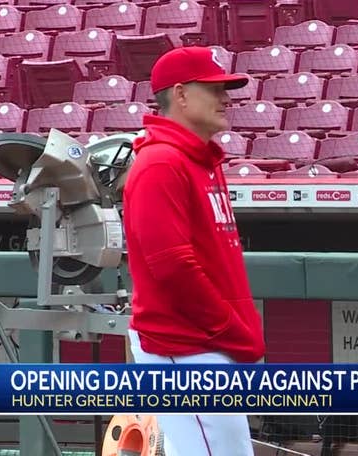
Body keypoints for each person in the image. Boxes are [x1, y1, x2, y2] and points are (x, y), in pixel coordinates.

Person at [122, 46, 265, 456]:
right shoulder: (160, 164)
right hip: (183, 348)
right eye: (214, 88)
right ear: (181, 95)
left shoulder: (201, 161)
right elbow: (174, 270)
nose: (227, 98)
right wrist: (234, 332)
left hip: (204, 346)